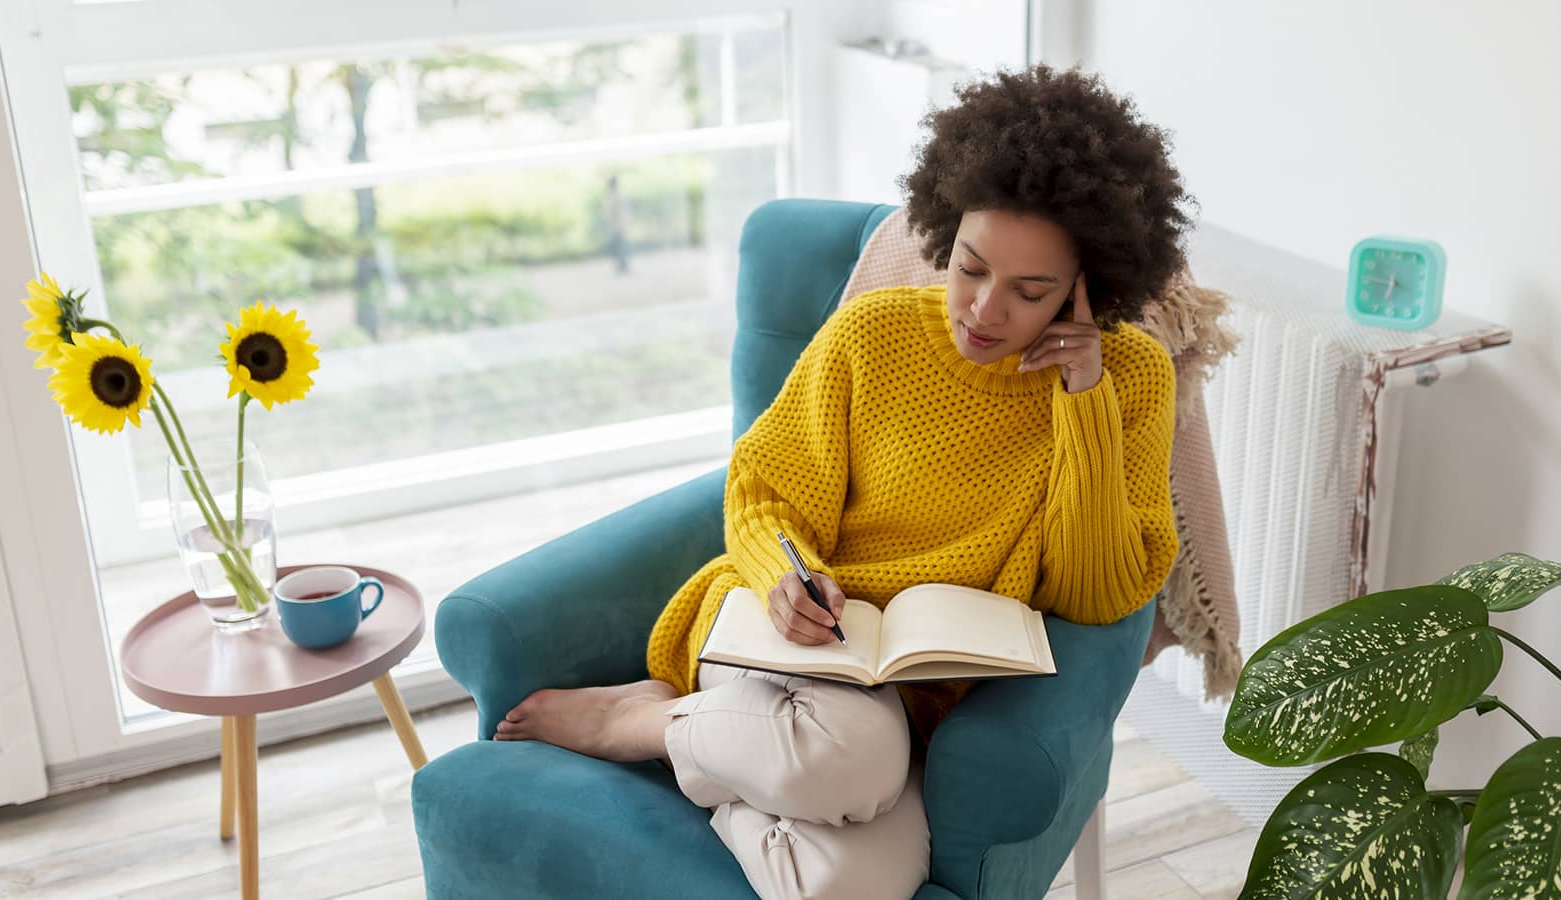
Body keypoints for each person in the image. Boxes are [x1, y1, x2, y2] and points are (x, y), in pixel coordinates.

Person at [492, 64, 1189, 900]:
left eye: (1029, 291)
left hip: (915, 699)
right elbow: (765, 490)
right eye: (970, 267)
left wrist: (1083, 401)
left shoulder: (1132, 381)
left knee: (847, 884)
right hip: (789, 640)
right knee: (852, 757)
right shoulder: (873, 334)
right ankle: (633, 722)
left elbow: (1095, 595)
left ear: (1088, 290)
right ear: (946, 228)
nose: (982, 309)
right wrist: (787, 575)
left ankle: (717, 762)